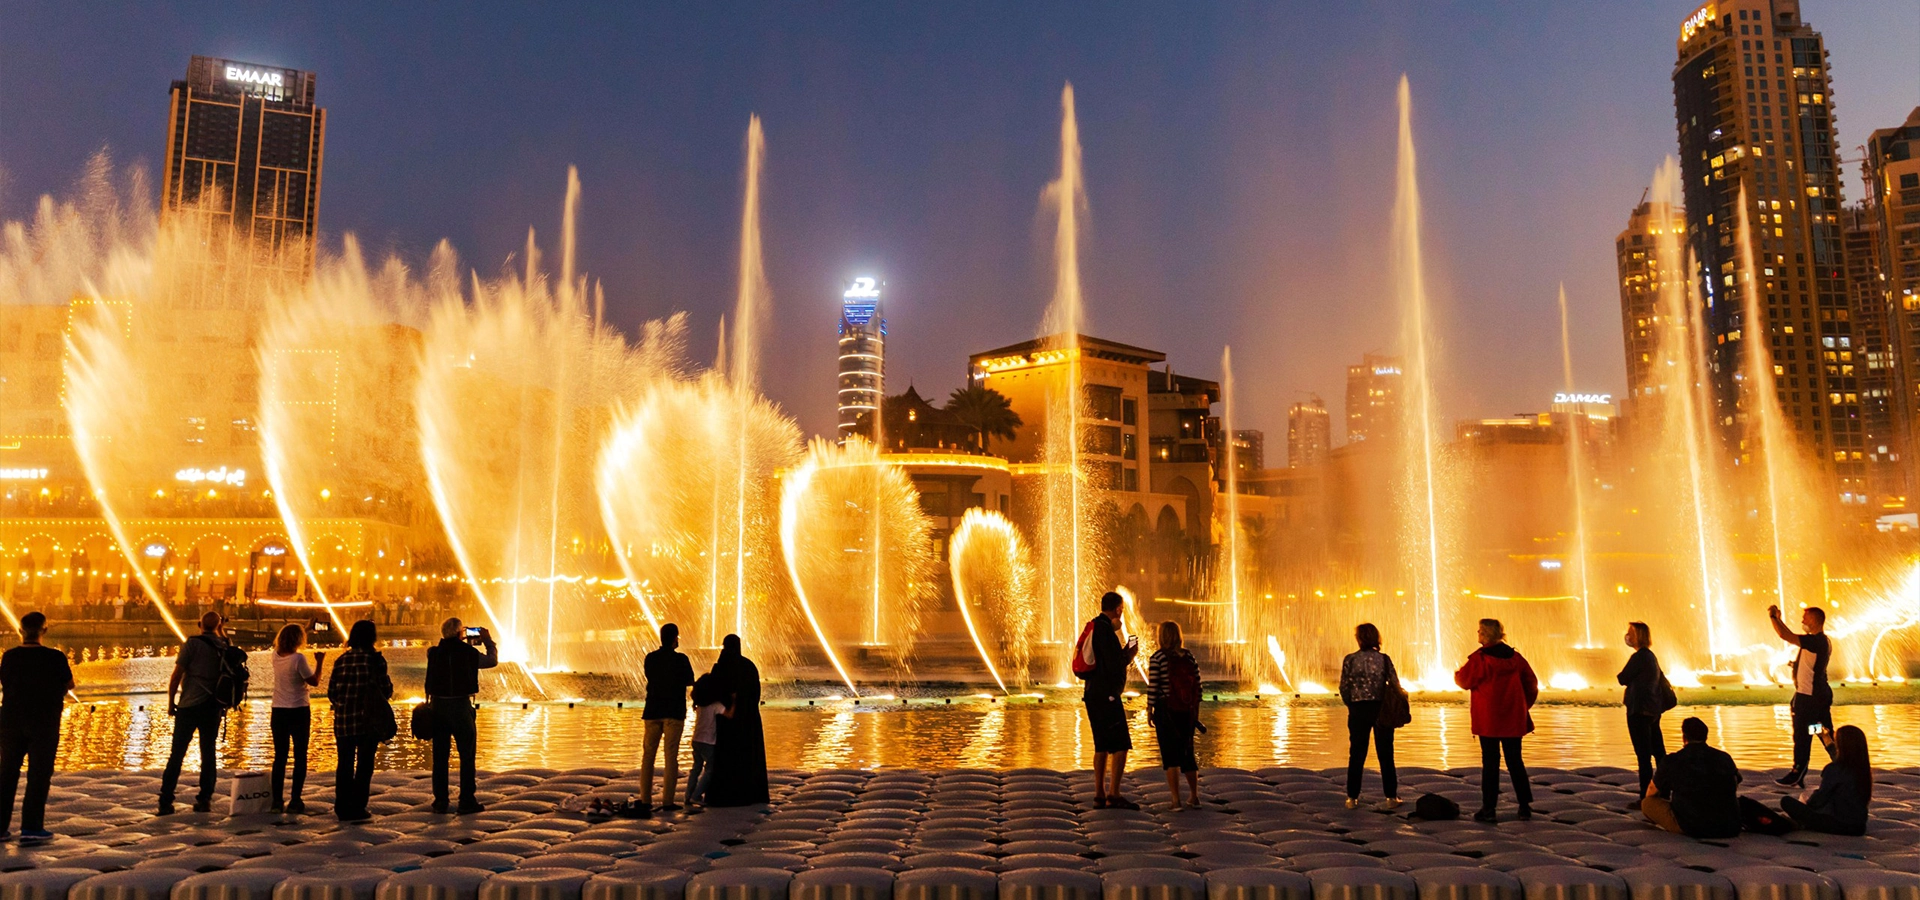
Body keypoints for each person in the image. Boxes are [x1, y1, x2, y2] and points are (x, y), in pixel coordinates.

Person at [1454, 617, 1539, 822]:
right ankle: (1524, 806)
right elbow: (1532, 683)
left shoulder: (1481, 659)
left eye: (1480, 631)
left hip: (1488, 720)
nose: (1478, 634)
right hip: (1512, 719)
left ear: (1486, 634)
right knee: (1515, 762)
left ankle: (1489, 809)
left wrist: (1457, 673)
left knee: (1490, 763)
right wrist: (1522, 706)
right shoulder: (1516, 658)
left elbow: (1463, 681)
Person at [0, 612, 73, 841]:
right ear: (45, 630)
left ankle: (0, 827)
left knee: (7, 774)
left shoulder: (9, 657)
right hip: (44, 722)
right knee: (39, 774)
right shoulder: (55, 657)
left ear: (20, 631)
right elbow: (69, 684)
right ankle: (31, 827)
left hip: (10, 721)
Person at [160, 612, 232, 815]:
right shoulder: (224, 644)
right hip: (213, 707)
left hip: (189, 706)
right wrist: (220, 629)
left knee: (177, 754)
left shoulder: (192, 644)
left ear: (199, 624)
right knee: (208, 753)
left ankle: (166, 800)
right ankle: (205, 799)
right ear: (219, 625)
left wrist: (171, 702)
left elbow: (176, 676)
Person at [425, 618, 497, 814]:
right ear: (460, 634)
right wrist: (488, 640)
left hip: (438, 707)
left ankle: (440, 800)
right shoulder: (468, 653)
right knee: (467, 756)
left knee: (440, 757)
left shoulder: (433, 653)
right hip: (460, 707)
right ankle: (466, 800)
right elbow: (492, 661)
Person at [1080, 591, 1141, 810]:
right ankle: (1113, 794)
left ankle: (1099, 794)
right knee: (1121, 745)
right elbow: (1114, 664)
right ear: (1117, 609)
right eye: (1122, 610)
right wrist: (1129, 654)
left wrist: (1122, 652)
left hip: (1092, 693)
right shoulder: (1105, 631)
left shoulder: (1095, 626)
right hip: (1107, 695)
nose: (1122, 614)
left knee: (1101, 745)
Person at [326, 620, 391, 822]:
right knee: (364, 765)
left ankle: (342, 806)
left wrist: (343, 704)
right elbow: (386, 690)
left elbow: (332, 693)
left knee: (344, 764)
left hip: (344, 722)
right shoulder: (375, 661)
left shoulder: (341, 660)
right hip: (367, 722)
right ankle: (358, 806)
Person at [1642, 716, 1742, 839]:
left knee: (1647, 803)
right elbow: (1736, 781)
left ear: (1684, 737)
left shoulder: (1673, 760)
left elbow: (1652, 790)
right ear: (1705, 736)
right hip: (1729, 825)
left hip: (1692, 825)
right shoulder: (1724, 757)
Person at [1767, 604, 1833, 787]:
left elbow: (1785, 635)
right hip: (1816, 697)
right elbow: (1813, 666)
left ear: (1815, 620)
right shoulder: (1820, 641)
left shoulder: (1817, 641)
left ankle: (1797, 772)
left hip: (1808, 699)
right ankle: (1843, 765)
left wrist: (1774, 617)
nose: (1802, 621)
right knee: (1820, 730)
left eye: (1806, 617)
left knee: (1803, 736)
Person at [1339, 622, 1401, 810]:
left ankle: (1352, 798)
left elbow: (1344, 687)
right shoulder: (1384, 659)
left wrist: (1351, 704)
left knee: (1357, 753)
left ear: (1359, 639)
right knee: (1386, 754)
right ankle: (1391, 797)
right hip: (1381, 710)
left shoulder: (1350, 659)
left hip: (1358, 709)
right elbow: (1395, 684)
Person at [704, 634, 768, 807]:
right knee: (747, 758)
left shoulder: (721, 667)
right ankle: (749, 794)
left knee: (725, 759)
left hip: (725, 722)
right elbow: (755, 693)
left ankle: (723, 795)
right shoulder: (749, 666)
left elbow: (713, 692)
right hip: (748, 720)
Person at [640, 622, 696, 814]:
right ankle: (667, 801)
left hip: (652, 711)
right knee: (670, 757)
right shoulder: (681, 659)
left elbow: (650, 676)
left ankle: (645, 800)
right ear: (674, 639)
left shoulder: (651, 658)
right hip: (673, 712)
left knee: (648, 757)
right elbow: (690, 680)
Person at [1146, 620, 1201, 810]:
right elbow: (1198, 687)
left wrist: (1149, 710)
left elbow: (1153, 687)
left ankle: (1176, 799)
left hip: (1165, 711)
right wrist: (1195, 711)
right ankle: (1194, 796)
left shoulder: (1157, 658)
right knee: (1188, 753)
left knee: (1170, 756)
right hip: (1187, 712)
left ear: (1161, 637)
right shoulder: (1189, 657)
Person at [270, 623, 323, 814]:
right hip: (299, 710)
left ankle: (277, 800)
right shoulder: (299, 659)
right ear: (299, 640)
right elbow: (314, 681)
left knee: (280, 757)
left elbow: (288, 640)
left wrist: (306, 628)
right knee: (300, 756)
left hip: (278, 710)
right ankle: (295, 800)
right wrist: (320, 662)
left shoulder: (275, 656)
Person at [1780, 724, 1871, 835]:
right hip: (1859, 827)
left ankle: (1801, 823)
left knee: (1786, 801)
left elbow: (1820, 798)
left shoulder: (1834, 769)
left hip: (1838, 825)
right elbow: (1839, 759)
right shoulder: (1862, 768)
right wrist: (1826, 739)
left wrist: (1806, 805)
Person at [1617, 621, 1668, 797]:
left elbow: (1622, 678)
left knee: (1643, 755)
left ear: (1638, 636)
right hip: (1653, 710)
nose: (1627, 636)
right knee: (1658, 752)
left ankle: (1645, 796)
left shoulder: (1639, 657)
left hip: (1638, 711)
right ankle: (1664, 790)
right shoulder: (1651, 656)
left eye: (1630, 633)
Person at [685, 672, 728, 808]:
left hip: (696, 740)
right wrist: (734, 700)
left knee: (696, 768)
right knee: (710, 769)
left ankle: (688, 796)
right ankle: (696, 795)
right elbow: (730, 714)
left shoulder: (699, 705)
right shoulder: (716, 705)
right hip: (708, 741)